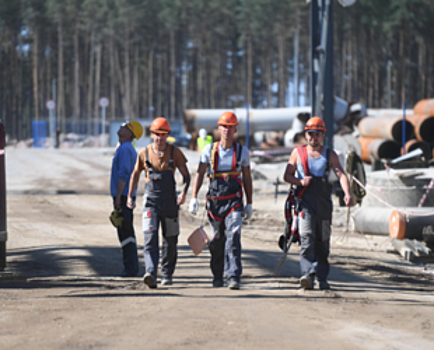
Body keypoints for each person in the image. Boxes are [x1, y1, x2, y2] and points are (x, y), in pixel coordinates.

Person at [283, 117, 353, 290]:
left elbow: (341, 174)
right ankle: (307, 274)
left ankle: (322, 278)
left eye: (317, 134)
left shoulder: (330, 154)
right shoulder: (297, 153)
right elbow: (287, 175)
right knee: (306, 238)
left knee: (323, 241)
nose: (314, 137)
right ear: (306, 134)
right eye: (311, 134)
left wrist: (348, 193)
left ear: (323, 135)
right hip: (305, 203)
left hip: (324, 206)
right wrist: (300, 182)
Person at [189, 111, 253, 290]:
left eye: (230, 127)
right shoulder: (209, 150)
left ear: (235, 130)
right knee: (217, 240)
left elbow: (247, 178)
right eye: (224, 126)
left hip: (234, 202)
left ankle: (233, 275)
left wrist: (249, 203)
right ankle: (217, 275)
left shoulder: (242, 152)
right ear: (219, 128)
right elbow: (200, 173)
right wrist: (194, 197)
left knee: (233, 237)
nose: (227, 130)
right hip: (215, 203)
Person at [127, 117, 190, 288]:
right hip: (150, 203)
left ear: (168, 135)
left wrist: (184, 193)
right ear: (152, 134)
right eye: (156, 134)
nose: (159, 138)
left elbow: (186, 175)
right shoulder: (144, 153)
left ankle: (167, 274)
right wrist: (130, 197)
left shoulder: (175, 152)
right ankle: (151, 272)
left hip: (170, 203)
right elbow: (135, 174)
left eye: (163, 135)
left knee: (170, 241)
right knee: (150, 239)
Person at [110, 121, 144, 277]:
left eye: (125, 127)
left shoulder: (125, 149)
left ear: (129, 134)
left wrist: (118, 197)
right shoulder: (125, 148)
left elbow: (124, 174)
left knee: (126, 232)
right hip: (124, 195)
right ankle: (130, 266)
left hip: (123, 196)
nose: (121, 127)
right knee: (125, 231)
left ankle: (130, 268)